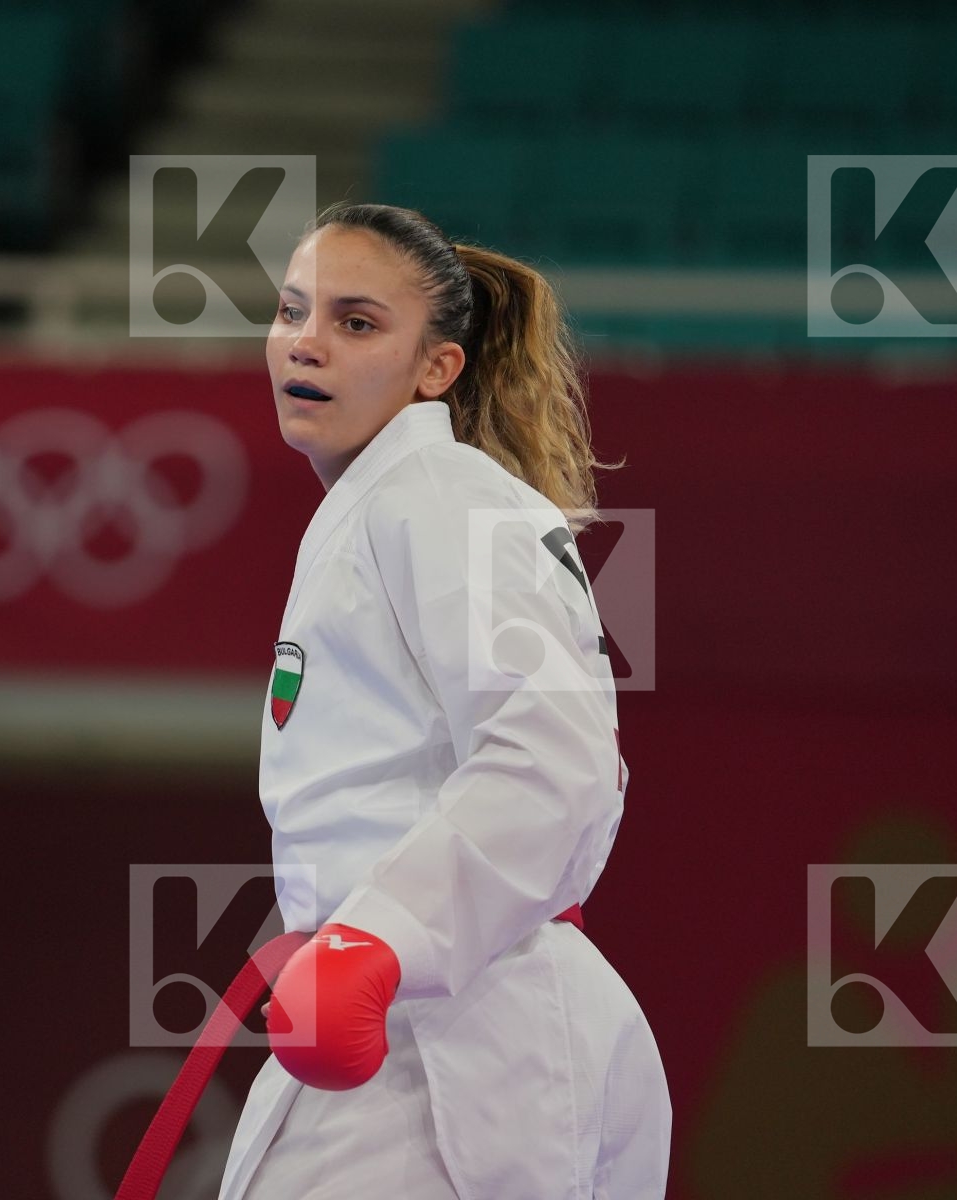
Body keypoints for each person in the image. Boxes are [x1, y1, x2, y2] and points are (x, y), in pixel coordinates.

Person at [219, 203, 671, 1199]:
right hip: (432, 1018)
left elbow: (556, 754)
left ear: (438, 370)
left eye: (356, 323)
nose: (307, 343)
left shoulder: (436, 492)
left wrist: (376, 938)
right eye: (293, 311)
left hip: (456, 1036)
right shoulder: (394, 501)